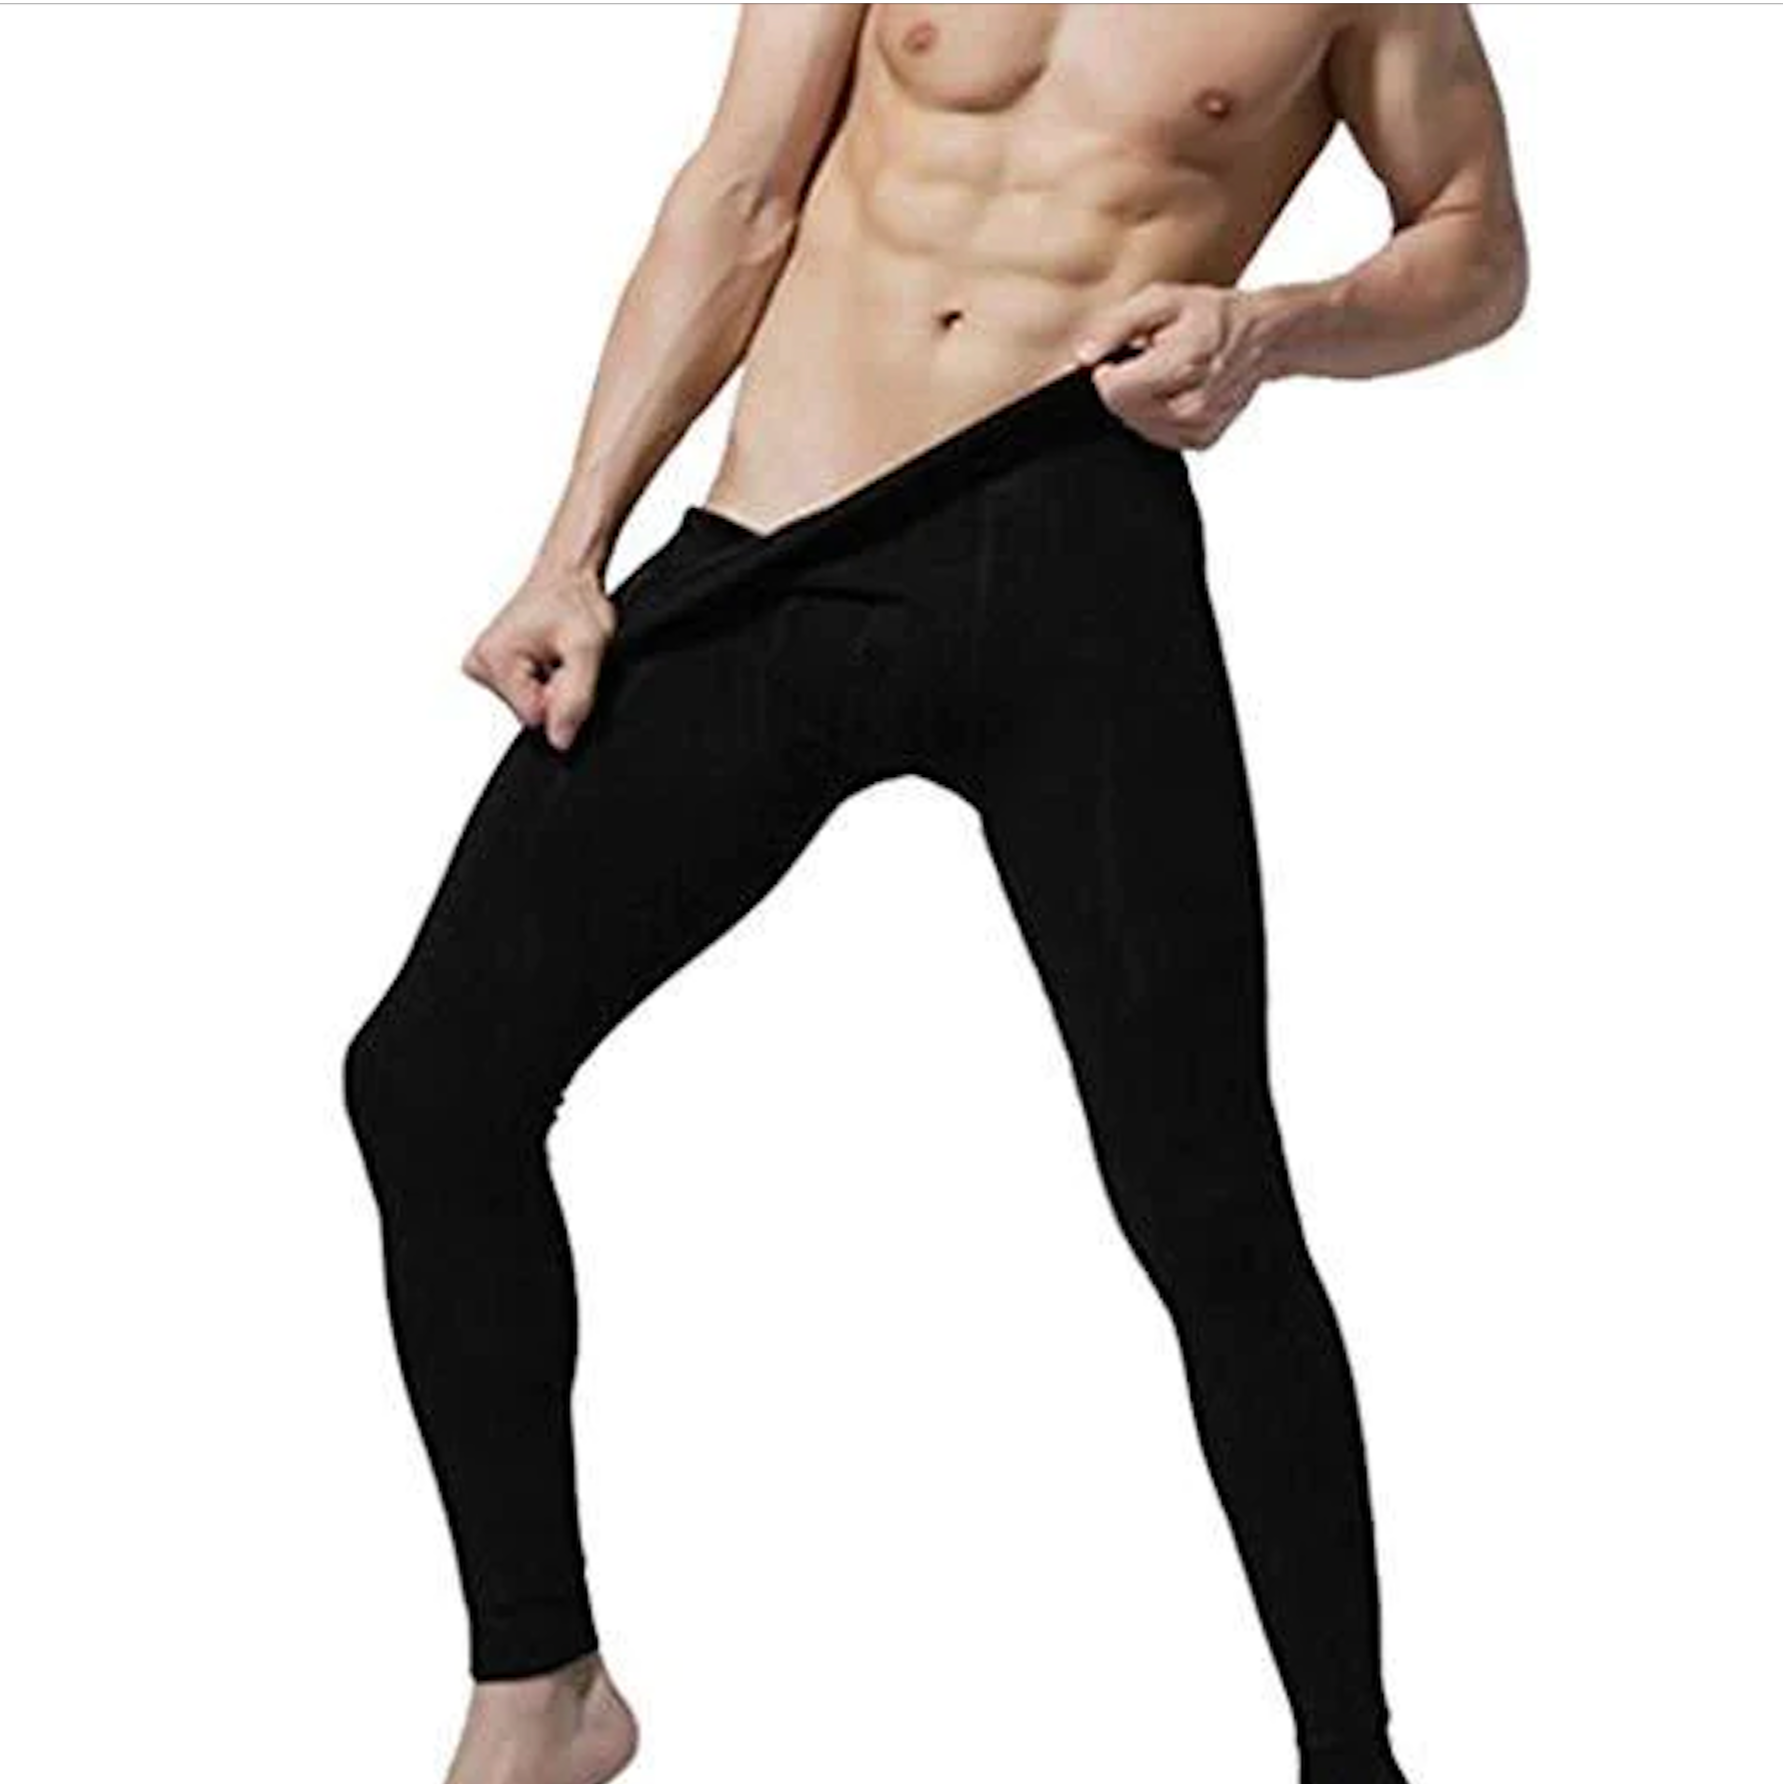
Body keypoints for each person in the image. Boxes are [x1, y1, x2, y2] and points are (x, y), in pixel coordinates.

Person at [342, 6, 1527, 1782]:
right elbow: (738, 194)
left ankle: (1347, 1761)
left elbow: (1476, 246)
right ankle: (544, 1686)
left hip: (1074, 560)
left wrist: (1275, 326)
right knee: (431, 1081)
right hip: (783, 544)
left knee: (1203, 1193)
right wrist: (572, 550)